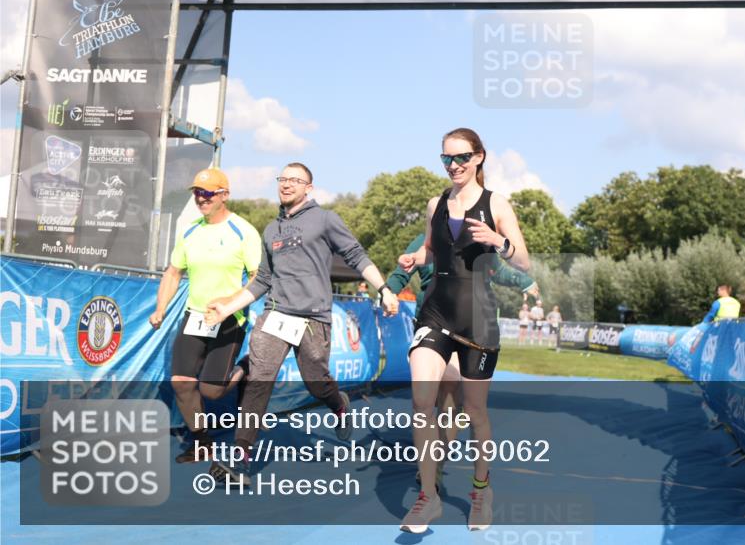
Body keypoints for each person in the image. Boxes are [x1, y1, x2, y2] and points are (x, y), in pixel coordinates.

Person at [205, 162, 399, 484]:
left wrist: (385, 289)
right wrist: (227, 307)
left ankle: (338, 403)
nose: (287, 185)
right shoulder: (271, 230)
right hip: (275, 314)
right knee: (259, 378)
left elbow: (356, 255)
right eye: (283, 179)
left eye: (295, 180)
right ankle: (241, 459)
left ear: (309, 188)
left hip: (313, 319)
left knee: (316, 382)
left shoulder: (325, 219)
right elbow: (261, 281)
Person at [396, 128, 530, 533]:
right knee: (423, 400)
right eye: (446, 159)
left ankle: (480, 489)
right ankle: (428, 497)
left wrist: (498, 241)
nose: (453, 165)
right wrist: (415, 256)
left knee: (475, 412)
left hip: (479, 319)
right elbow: (432, 250)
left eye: (461, 158)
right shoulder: (435, 203)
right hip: (435, 312)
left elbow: (524, 262)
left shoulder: (497, 204)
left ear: (479, 158)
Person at [386, 231, 537, 489]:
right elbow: (401, 273)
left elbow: (498, 272)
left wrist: (523, 281)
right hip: (431, 323)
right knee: (424, 400)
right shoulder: (423, 240)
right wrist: (388, 292)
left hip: (468, 326)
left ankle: (435, 466)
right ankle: (431, 462)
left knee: (450, 399)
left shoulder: (478, 238)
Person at [148, 167, 262, 463]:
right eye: (198, 192)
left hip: (229, 320)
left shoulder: (243, 231)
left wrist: (230, 300)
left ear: (224, 195)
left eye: (208, 193)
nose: (202, 198)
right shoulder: (189, 230)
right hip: (196, 316)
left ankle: (244, 370)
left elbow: (259, 277)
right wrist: (160, 308)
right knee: (182, 383)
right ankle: (202, 444)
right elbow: (173, 272)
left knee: (211, 391)